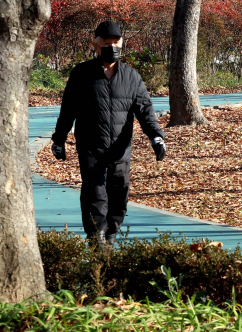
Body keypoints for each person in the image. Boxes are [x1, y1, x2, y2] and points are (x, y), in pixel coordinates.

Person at [50, 20, 166, 249]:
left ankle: (111, 235)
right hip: (91, 145)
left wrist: (156, 137)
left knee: (119, 192)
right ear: (96, 45)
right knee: (95, 192)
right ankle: (96, 238)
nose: (112, 46)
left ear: (122, 44)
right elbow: (68, 110)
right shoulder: (82, 74)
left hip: (120, 148)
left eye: (116, 42)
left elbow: (145, 110)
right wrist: (59, 139)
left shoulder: (132, 77)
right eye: (106, 43)